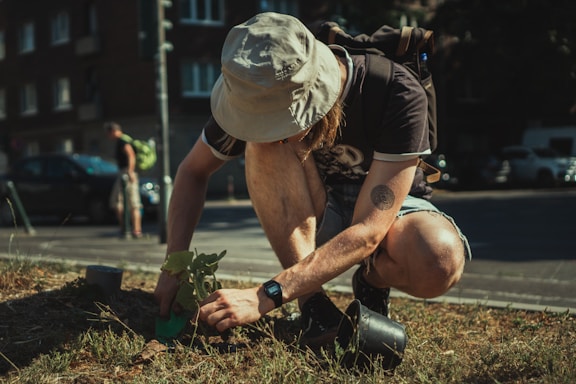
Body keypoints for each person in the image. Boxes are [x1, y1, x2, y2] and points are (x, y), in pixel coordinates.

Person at [154, 12, 471, 349]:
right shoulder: (254, 92)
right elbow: (192, 171)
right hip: (318, 204)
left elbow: (368, 230)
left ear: (314, 91)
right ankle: (313, 306)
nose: (273, 132)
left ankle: (372, 280)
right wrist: (173, 267)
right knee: (262, 146)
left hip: (390, 211)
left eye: (280, 121)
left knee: (440, 260)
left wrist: (265, 295)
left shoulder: (395, 91)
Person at [104, 121, 143, 239]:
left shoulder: (123, 141)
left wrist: (130, 171)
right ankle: (130, 229)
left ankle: (131, 229)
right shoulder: (124, 140)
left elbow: (131, 155)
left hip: (126, 173)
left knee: (127, 202)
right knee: (128, 202)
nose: (108, 136)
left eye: (108, 133)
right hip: (127, 172)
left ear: (112, 131)